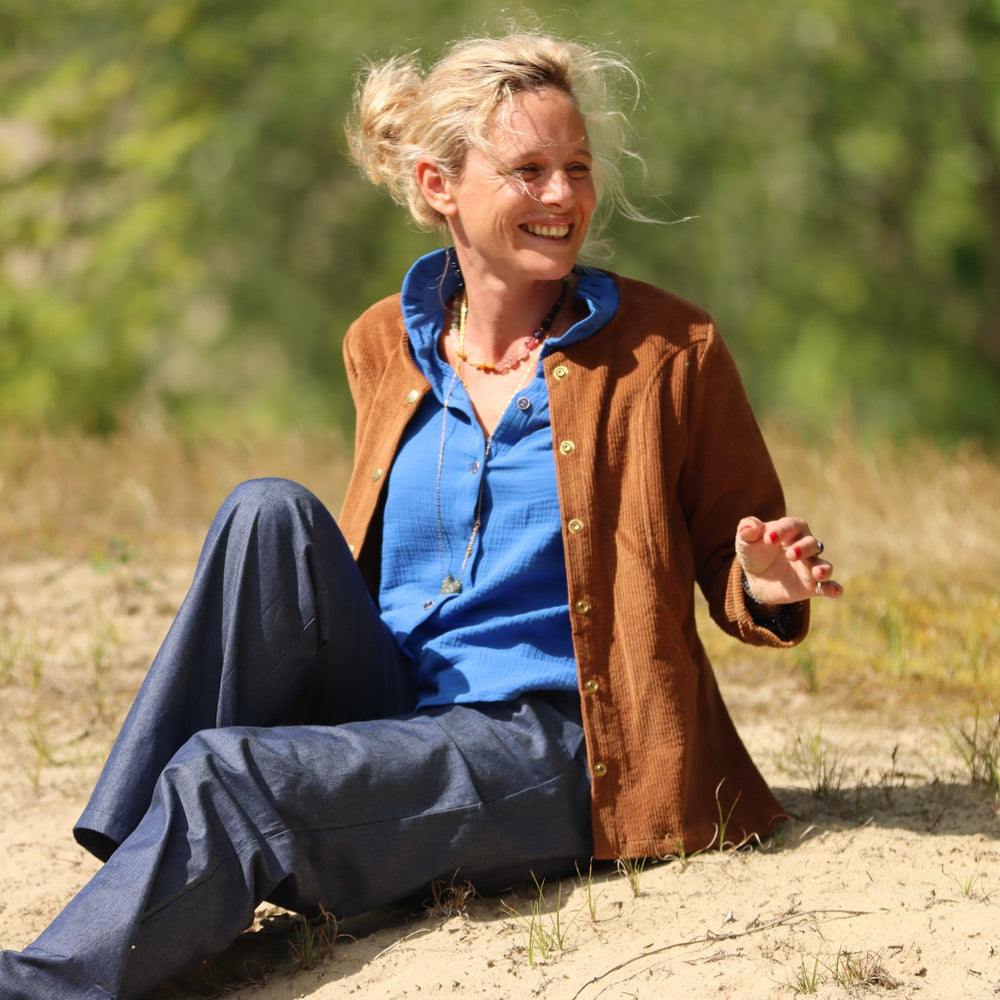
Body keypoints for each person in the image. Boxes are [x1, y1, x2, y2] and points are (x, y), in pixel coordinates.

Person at [0, 30, 841, 1000]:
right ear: (440, 185)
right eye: (528, 170)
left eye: (577, 168)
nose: (564, 196)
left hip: (552, 740)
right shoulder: (382, 340)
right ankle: (144, 857)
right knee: (265, 513)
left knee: (232, 775)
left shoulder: (668, 350)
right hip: (400, 699)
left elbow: (736, 555)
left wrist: (762, 582)